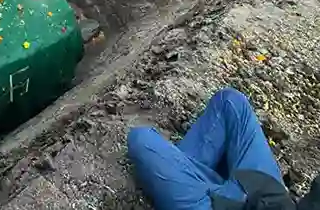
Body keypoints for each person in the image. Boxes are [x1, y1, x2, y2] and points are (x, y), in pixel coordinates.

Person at [127, 88, 320, 210]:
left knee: (141, 139)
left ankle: (194, 178)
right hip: (270, 197)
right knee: (230, 103)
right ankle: (196, 176)